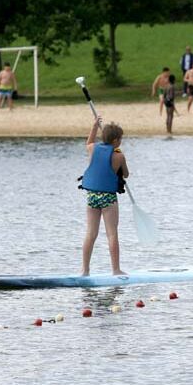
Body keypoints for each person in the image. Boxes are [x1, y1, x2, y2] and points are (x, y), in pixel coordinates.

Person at [80, 117, 128, 276]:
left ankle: (85, 270)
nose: (121, 142)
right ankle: (116, 270)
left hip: (92, 197)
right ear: (115, 141)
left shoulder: (92, 149)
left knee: (90, 233)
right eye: (120, 139)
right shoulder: (119, 156)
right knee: (112, 234)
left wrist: (94, 127)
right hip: (108, 198)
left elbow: (88, 142)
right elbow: (126, 174)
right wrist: (120, 161)